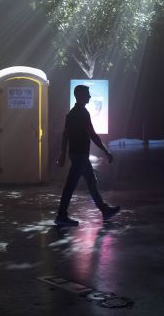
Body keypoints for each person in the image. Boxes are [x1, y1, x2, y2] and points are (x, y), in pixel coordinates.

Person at [55, 84, 120, 226]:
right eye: (87, 94)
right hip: (80, 155)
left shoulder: (72, 114)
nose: (90, 96)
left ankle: (104, 210)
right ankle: (61, 216)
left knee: (90, 182)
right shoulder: (83, 113)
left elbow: (65, 135)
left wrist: (63, 153)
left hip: (76, 153)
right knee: (72, 185)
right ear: (81, 96)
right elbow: (93, 135)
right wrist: (106, 151)